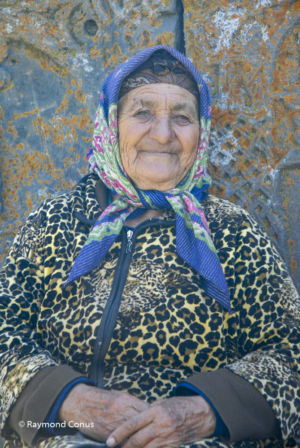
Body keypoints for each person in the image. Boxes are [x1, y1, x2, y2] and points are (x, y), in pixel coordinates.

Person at [0, 45, 299, 448]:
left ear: (202, 131)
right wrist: (68, 399)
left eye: (181, 117)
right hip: (56, 432)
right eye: (142, 113)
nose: (163, 134)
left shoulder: (232, 231)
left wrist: (203, 412)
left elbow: (291, 355)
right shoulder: (56, 222)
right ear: (111, 123)